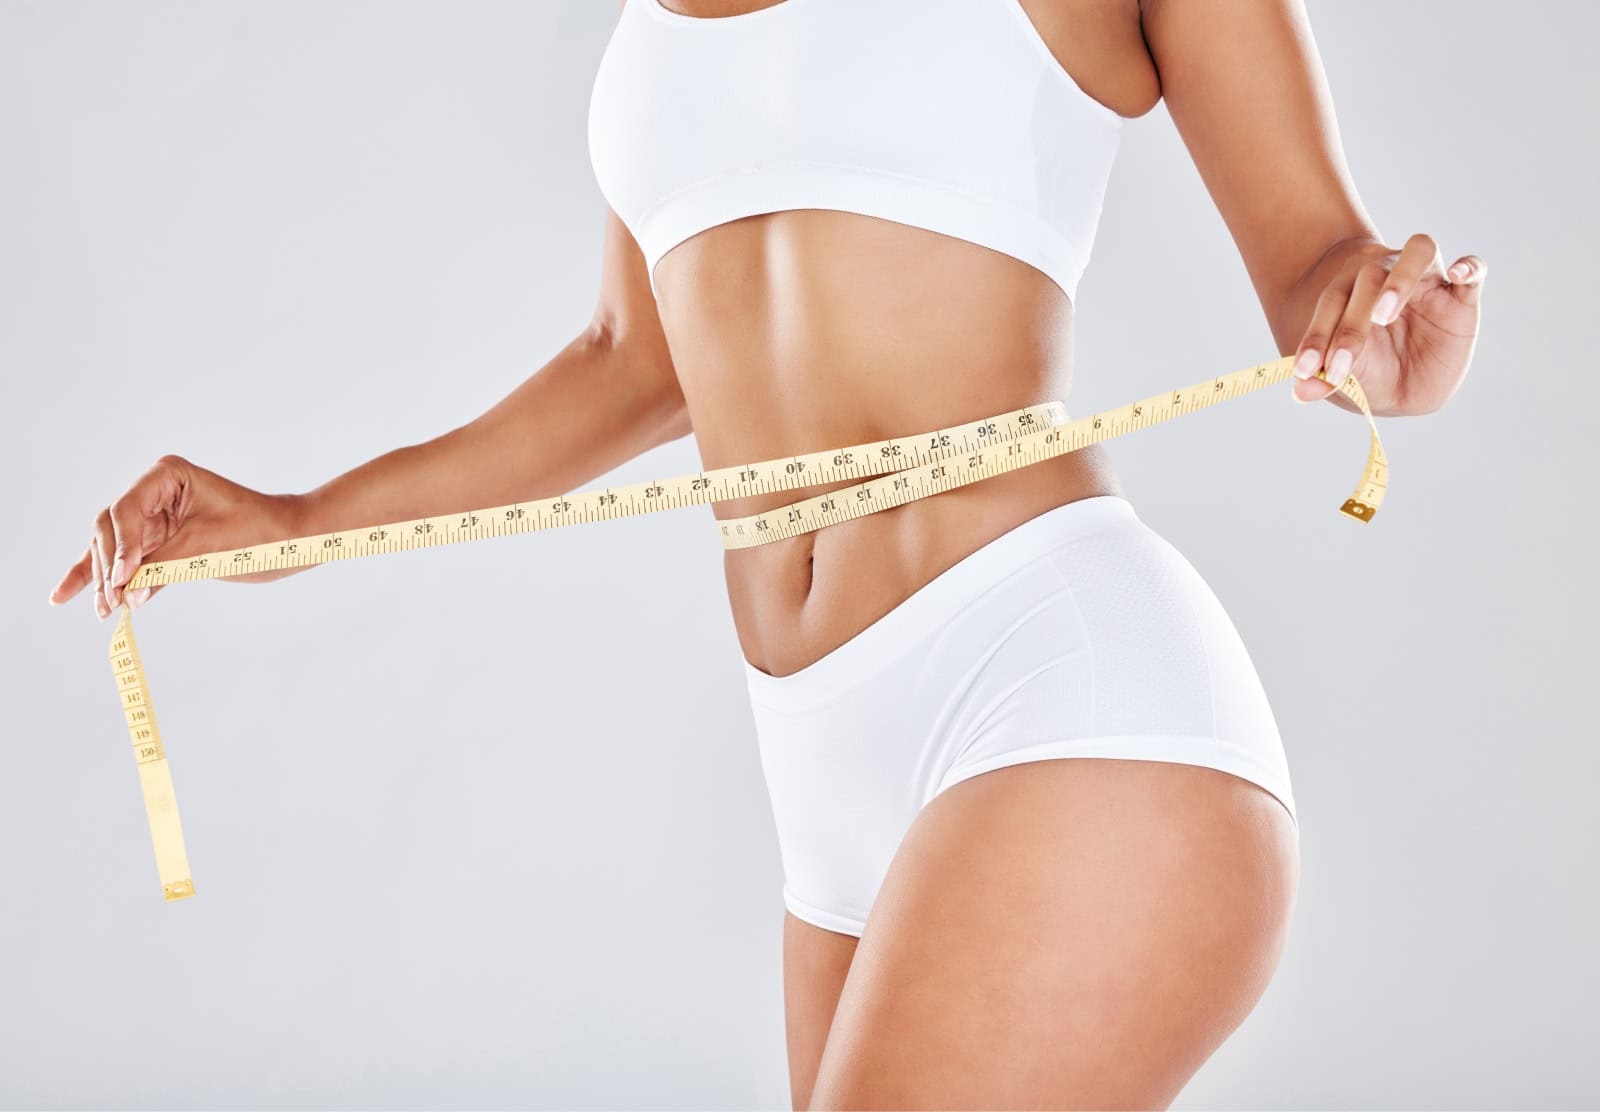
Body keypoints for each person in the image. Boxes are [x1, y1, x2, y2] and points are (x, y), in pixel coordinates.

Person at [49, 0, 1485, 1106]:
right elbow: (635, 360)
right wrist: (298, 525)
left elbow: (1323, 265)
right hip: (828, 779)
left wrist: (1375, 324)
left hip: (1057, 689)